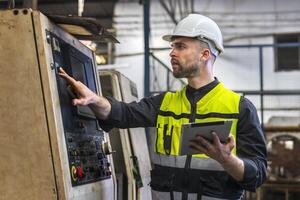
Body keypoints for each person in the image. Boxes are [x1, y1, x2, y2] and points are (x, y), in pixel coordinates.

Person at [59, 14, 267, 200]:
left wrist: (227, 159)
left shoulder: (239, 108)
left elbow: (256, 174)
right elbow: (121, 113)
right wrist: (95, 99)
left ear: (205, 54)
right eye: (172, 46)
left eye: (181, 46)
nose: (172, 53)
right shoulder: (164, 103)